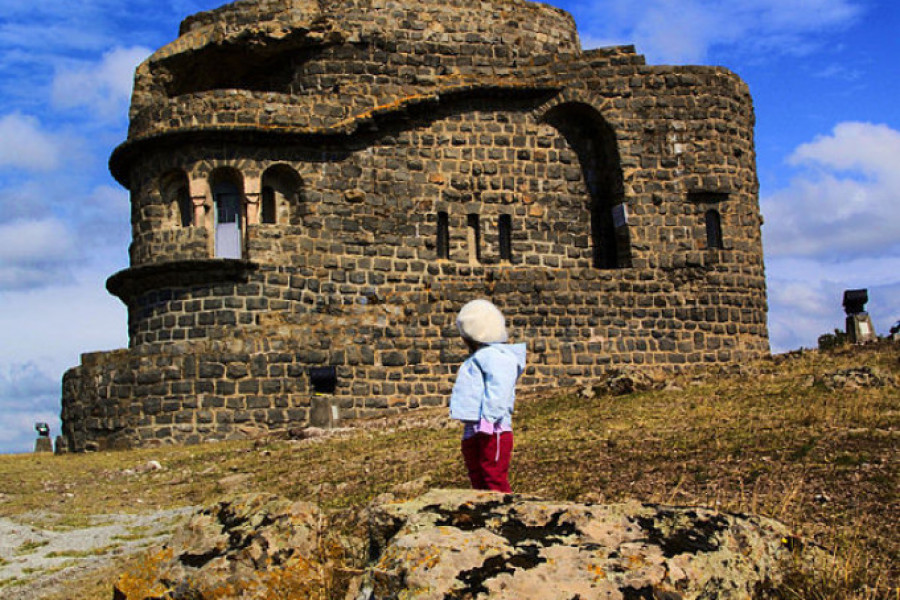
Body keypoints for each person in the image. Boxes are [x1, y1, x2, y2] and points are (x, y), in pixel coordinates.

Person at [449, 299, 526, 493]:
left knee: (493, 476)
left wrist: (489, 419)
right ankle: (483, 514)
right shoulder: (478, 357)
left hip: (494, 429)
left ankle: (502, 515)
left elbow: (499, 389)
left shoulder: (496, 356)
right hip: (474, 427)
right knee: (477, 475)